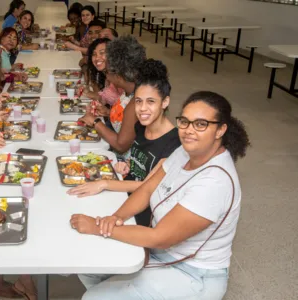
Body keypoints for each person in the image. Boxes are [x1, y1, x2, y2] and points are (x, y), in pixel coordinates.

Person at [71, 91, 250, 300]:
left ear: (220, 129)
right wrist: (115, 218)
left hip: (191, 272)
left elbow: (160, 238)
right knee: (89, 266)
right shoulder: (184, 151)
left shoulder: (215, 182)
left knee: (93, 298)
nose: (188, 131)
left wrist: (97, 226)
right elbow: (147, 189)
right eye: (185, 122)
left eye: (201, 124)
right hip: (160, 252)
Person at [69, 60, 182, 227]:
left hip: (143, 215)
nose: (142, 109)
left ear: (165, 102)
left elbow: (147, 186)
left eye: (150, 101)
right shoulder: (142, 127)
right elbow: (140, 162)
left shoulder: (174, 144)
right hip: (123, 193)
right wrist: (128, 165)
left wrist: (104, 183)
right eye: (138, 101)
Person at [78, 36, 146, 161]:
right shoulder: (128, 91)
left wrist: (95, 122)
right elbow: (128, 124)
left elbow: (121, 146)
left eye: (108, 72)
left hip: (124, 163)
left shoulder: (136, 101)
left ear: (119, 76)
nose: (106, 76)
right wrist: (108, 112)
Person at [83, 38, 122, 106]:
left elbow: (122, 106)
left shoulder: (121, 77)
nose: (97, 58)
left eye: (102, 53)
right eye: (94, 54)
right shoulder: (107, 74)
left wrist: (95, 95)